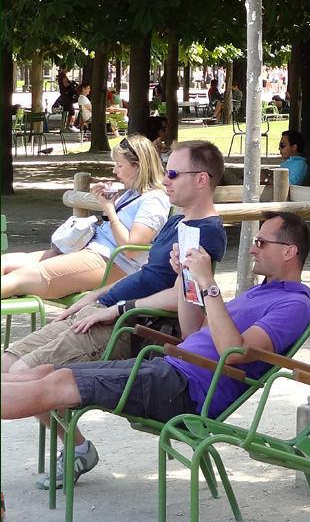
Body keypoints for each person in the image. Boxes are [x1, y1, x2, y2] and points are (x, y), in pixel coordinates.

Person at [2, 214, 310, 479]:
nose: (252, 249)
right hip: (167, 369)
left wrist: (209, 284)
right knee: (44, 371)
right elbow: (193, 331)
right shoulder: (259, 294)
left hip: (185, 391)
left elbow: (233, 352)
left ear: (289, 252)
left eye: (261, 242)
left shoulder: (294, 305)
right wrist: (186, 280)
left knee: (56, 383)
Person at [2, 139, 228, 489]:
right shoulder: (179, 221)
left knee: (24, 374)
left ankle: (77, 451)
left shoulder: (205, 233)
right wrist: (96, 294)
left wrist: (116, 309)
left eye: (172, 173)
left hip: (131, 325)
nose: (165, 180)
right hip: (106, 310)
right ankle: (78, 449)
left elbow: (185, 297)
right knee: (7, 361)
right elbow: (146, 273)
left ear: (202, 179)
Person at [1, 136, 169, 301]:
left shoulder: (154, 200)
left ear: (138, 167)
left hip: (114, 263)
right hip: (91, 250)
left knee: (21, 278)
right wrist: (106, 202)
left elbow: (131, 250)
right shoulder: (134, 193)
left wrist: (109, 209)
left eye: (119, 165)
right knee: (6, 262)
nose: (114, 171)